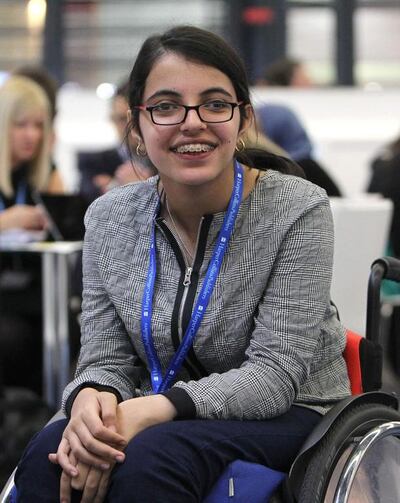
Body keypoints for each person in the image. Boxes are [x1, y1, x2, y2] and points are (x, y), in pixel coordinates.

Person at [15, 25, 350, 502]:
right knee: (51, 452)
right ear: (137, 124)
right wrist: (91, 397)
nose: (192, 123)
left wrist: (157, 409)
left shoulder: (297, 208)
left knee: (152, 459)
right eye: (166, 107)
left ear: (242, 119)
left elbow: (274, 376)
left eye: (215, 104)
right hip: (155, 405)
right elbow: (105, 359)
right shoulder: (109, 218)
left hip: (292, 412)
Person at [0, 75, 63, 393]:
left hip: (40, 296)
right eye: (21, 125)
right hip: (8, 304)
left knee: (70, 334)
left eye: (39, 126)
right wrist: (6, 221)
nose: (32, 136)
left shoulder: (45, 171)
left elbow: (68, 227)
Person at [78, 80, 156, 204]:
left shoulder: (167, 161)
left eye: (135, 117)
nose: (131, 126)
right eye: (122, 119)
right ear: (112, 120)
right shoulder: (94, 164)